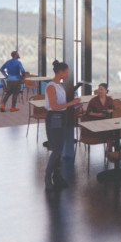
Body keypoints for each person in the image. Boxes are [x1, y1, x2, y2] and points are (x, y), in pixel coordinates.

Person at [44, 59, 82, 191]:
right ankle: (47, 177)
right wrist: (72, 103)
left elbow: (61, 104)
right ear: (60, 72)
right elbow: (54, 106)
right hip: (54, 118)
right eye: (66, 72)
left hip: (62, 116)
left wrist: (74, 105)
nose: (67, 74)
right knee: (57, 149)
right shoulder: (51, 86)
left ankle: (57, 176)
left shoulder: (59, 85)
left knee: (59, 148)